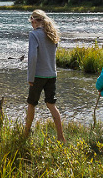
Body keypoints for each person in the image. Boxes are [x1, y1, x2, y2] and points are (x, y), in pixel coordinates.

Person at [24, 9, 65, 142]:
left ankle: (25, 134)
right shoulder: (51, 34)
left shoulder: (34, 35)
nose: (31, 24)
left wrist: (30, 77)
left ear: (35, 21)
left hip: (38, 76)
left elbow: (33, 56)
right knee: (51, 104)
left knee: (31, 104)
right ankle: (60, 136)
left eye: (31, 21)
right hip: (52, 75)